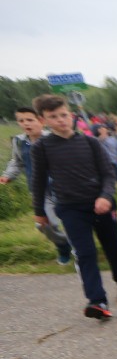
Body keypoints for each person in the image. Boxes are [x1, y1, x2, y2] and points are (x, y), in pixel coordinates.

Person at [30, 94, 117, 320]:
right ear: (43, 120)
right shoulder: (42, 147)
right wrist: (39, 211)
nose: (61, 120)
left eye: (63, 115)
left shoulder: (90, 142)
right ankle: (97, 301)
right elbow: (38, 181)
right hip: (70, 208)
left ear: (71, 115)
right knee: (85, 253)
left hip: (102, 204)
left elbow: (108, 174)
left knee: (114, 247)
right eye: (53, 117)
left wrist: (105, 196)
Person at [2, 106, 74, 265]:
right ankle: (63, 245)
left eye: (30, 120)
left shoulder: (54, 138)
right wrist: (8, 175)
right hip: (40, 191)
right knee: (44, 225)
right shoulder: (19, 141)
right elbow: (17, 161)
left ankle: (79, 248)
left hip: (62, 188)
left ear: (41, 121)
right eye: (21, 120)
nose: (26, 123)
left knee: (71, 220)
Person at [93, 122, 117, 195]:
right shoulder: (97, 140)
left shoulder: (112, 139)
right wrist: (102, 134)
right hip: (105, 162)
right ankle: (112, 190)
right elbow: (99, 141)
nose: (104, 129)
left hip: (114, 161)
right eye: (101, 128)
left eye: (104, 128)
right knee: (109, 178)